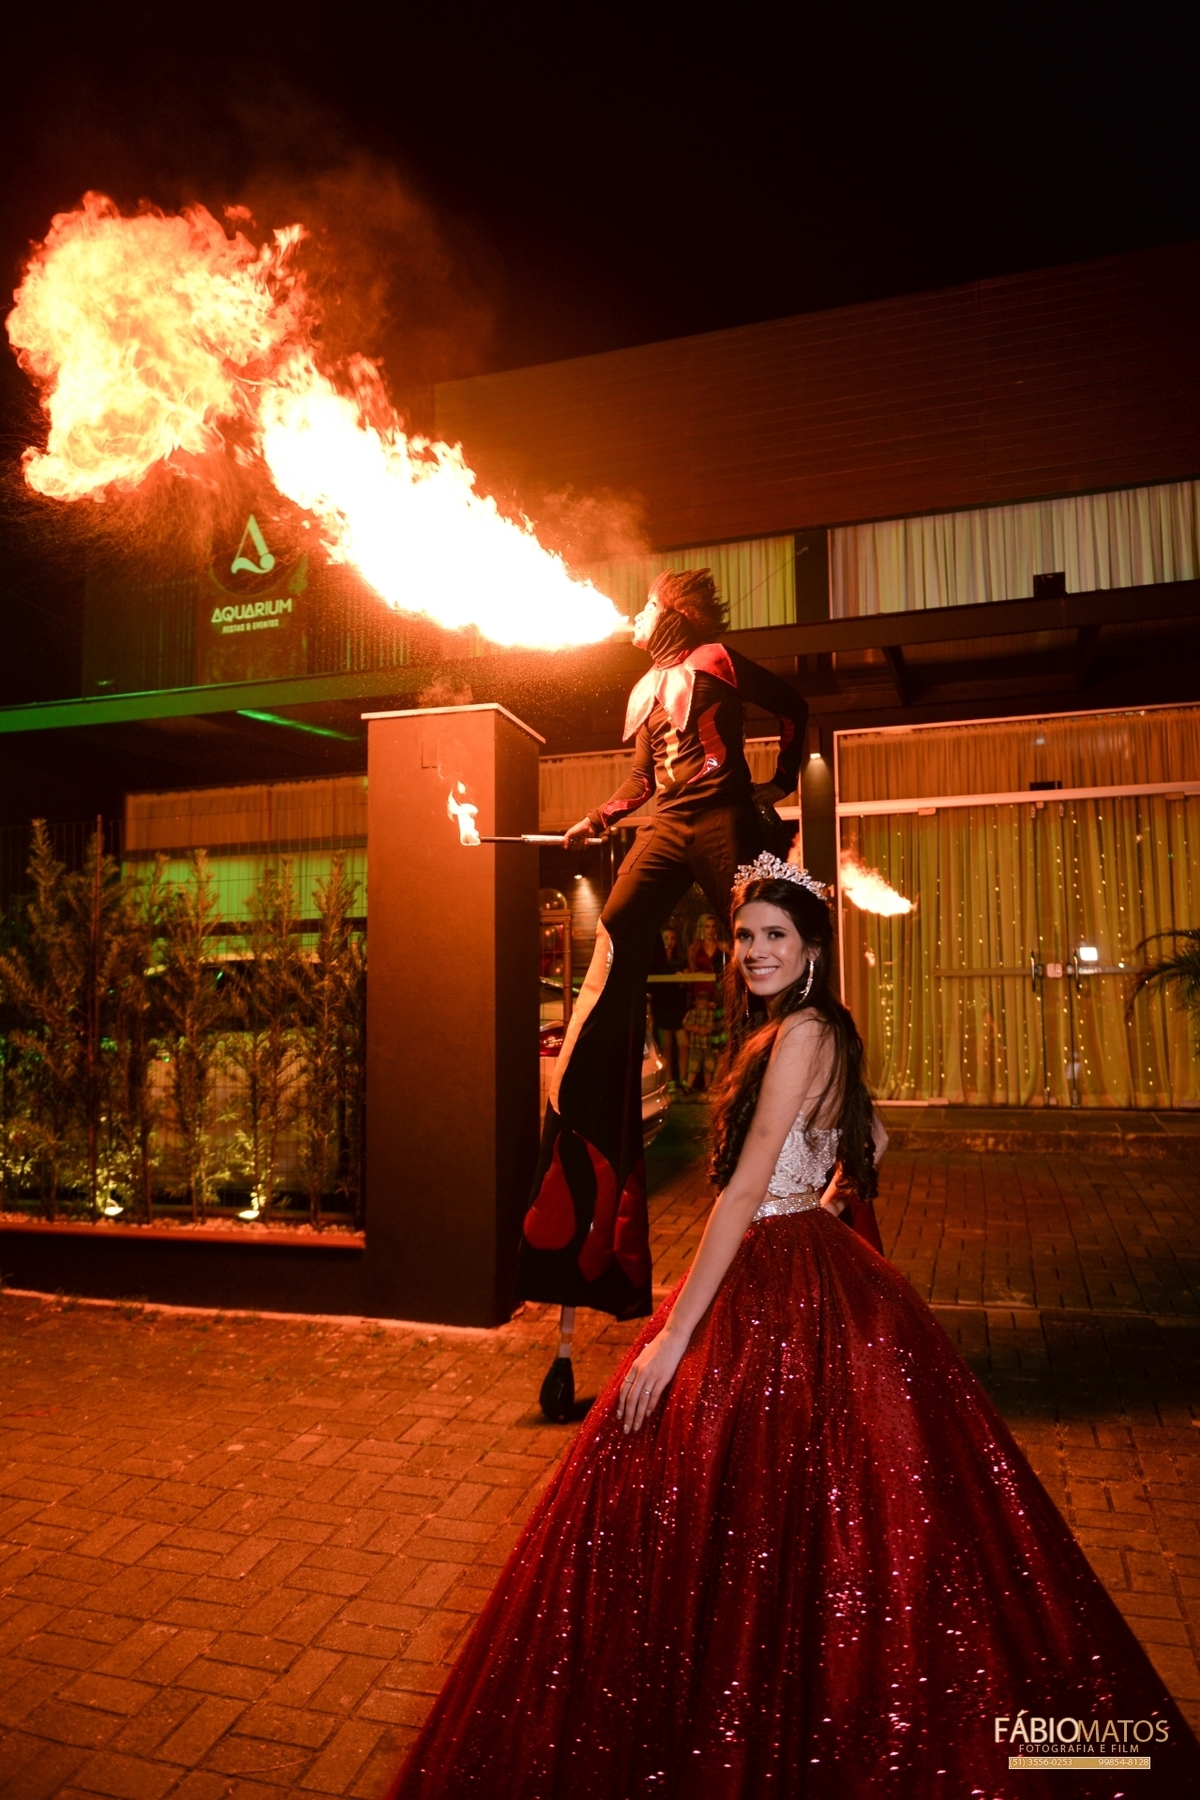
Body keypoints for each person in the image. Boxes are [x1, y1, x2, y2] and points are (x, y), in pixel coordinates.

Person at [388, 855, 1200, 1798]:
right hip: (808, 1262)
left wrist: (674, 1336)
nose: (755, 951)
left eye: (776, 935)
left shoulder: (801, 1034)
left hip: (779, 1271)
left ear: (812, 948)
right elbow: (873, 1140)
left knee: (752, 1493)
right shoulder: (813, 1032)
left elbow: (742, 1188)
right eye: (744, 937)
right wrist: (827, 1181)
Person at [518, 567, 809, 1423]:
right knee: (616, 924)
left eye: (645, 602)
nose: (634, 614)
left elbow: (794, 704)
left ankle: (782, 1064)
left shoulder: (718, 658)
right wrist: (599, 819)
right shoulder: (645, 688)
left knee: (758, 934)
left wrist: (776, 785)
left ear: (674, 612)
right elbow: (642, 781)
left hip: (722, 817)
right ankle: (595, 1073)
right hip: (667, 827)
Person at [648, 924, 689, 1090]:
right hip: (662, 1005)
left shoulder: (681, 959)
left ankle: (684, 1079)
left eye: (672, 938)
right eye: (666, 938)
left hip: (678, 1006)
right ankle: (670, 1080)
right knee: (666, 1046)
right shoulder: (656, 962)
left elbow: (686, 979)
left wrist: (682, 977)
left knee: (684, 1044)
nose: (669, 942)